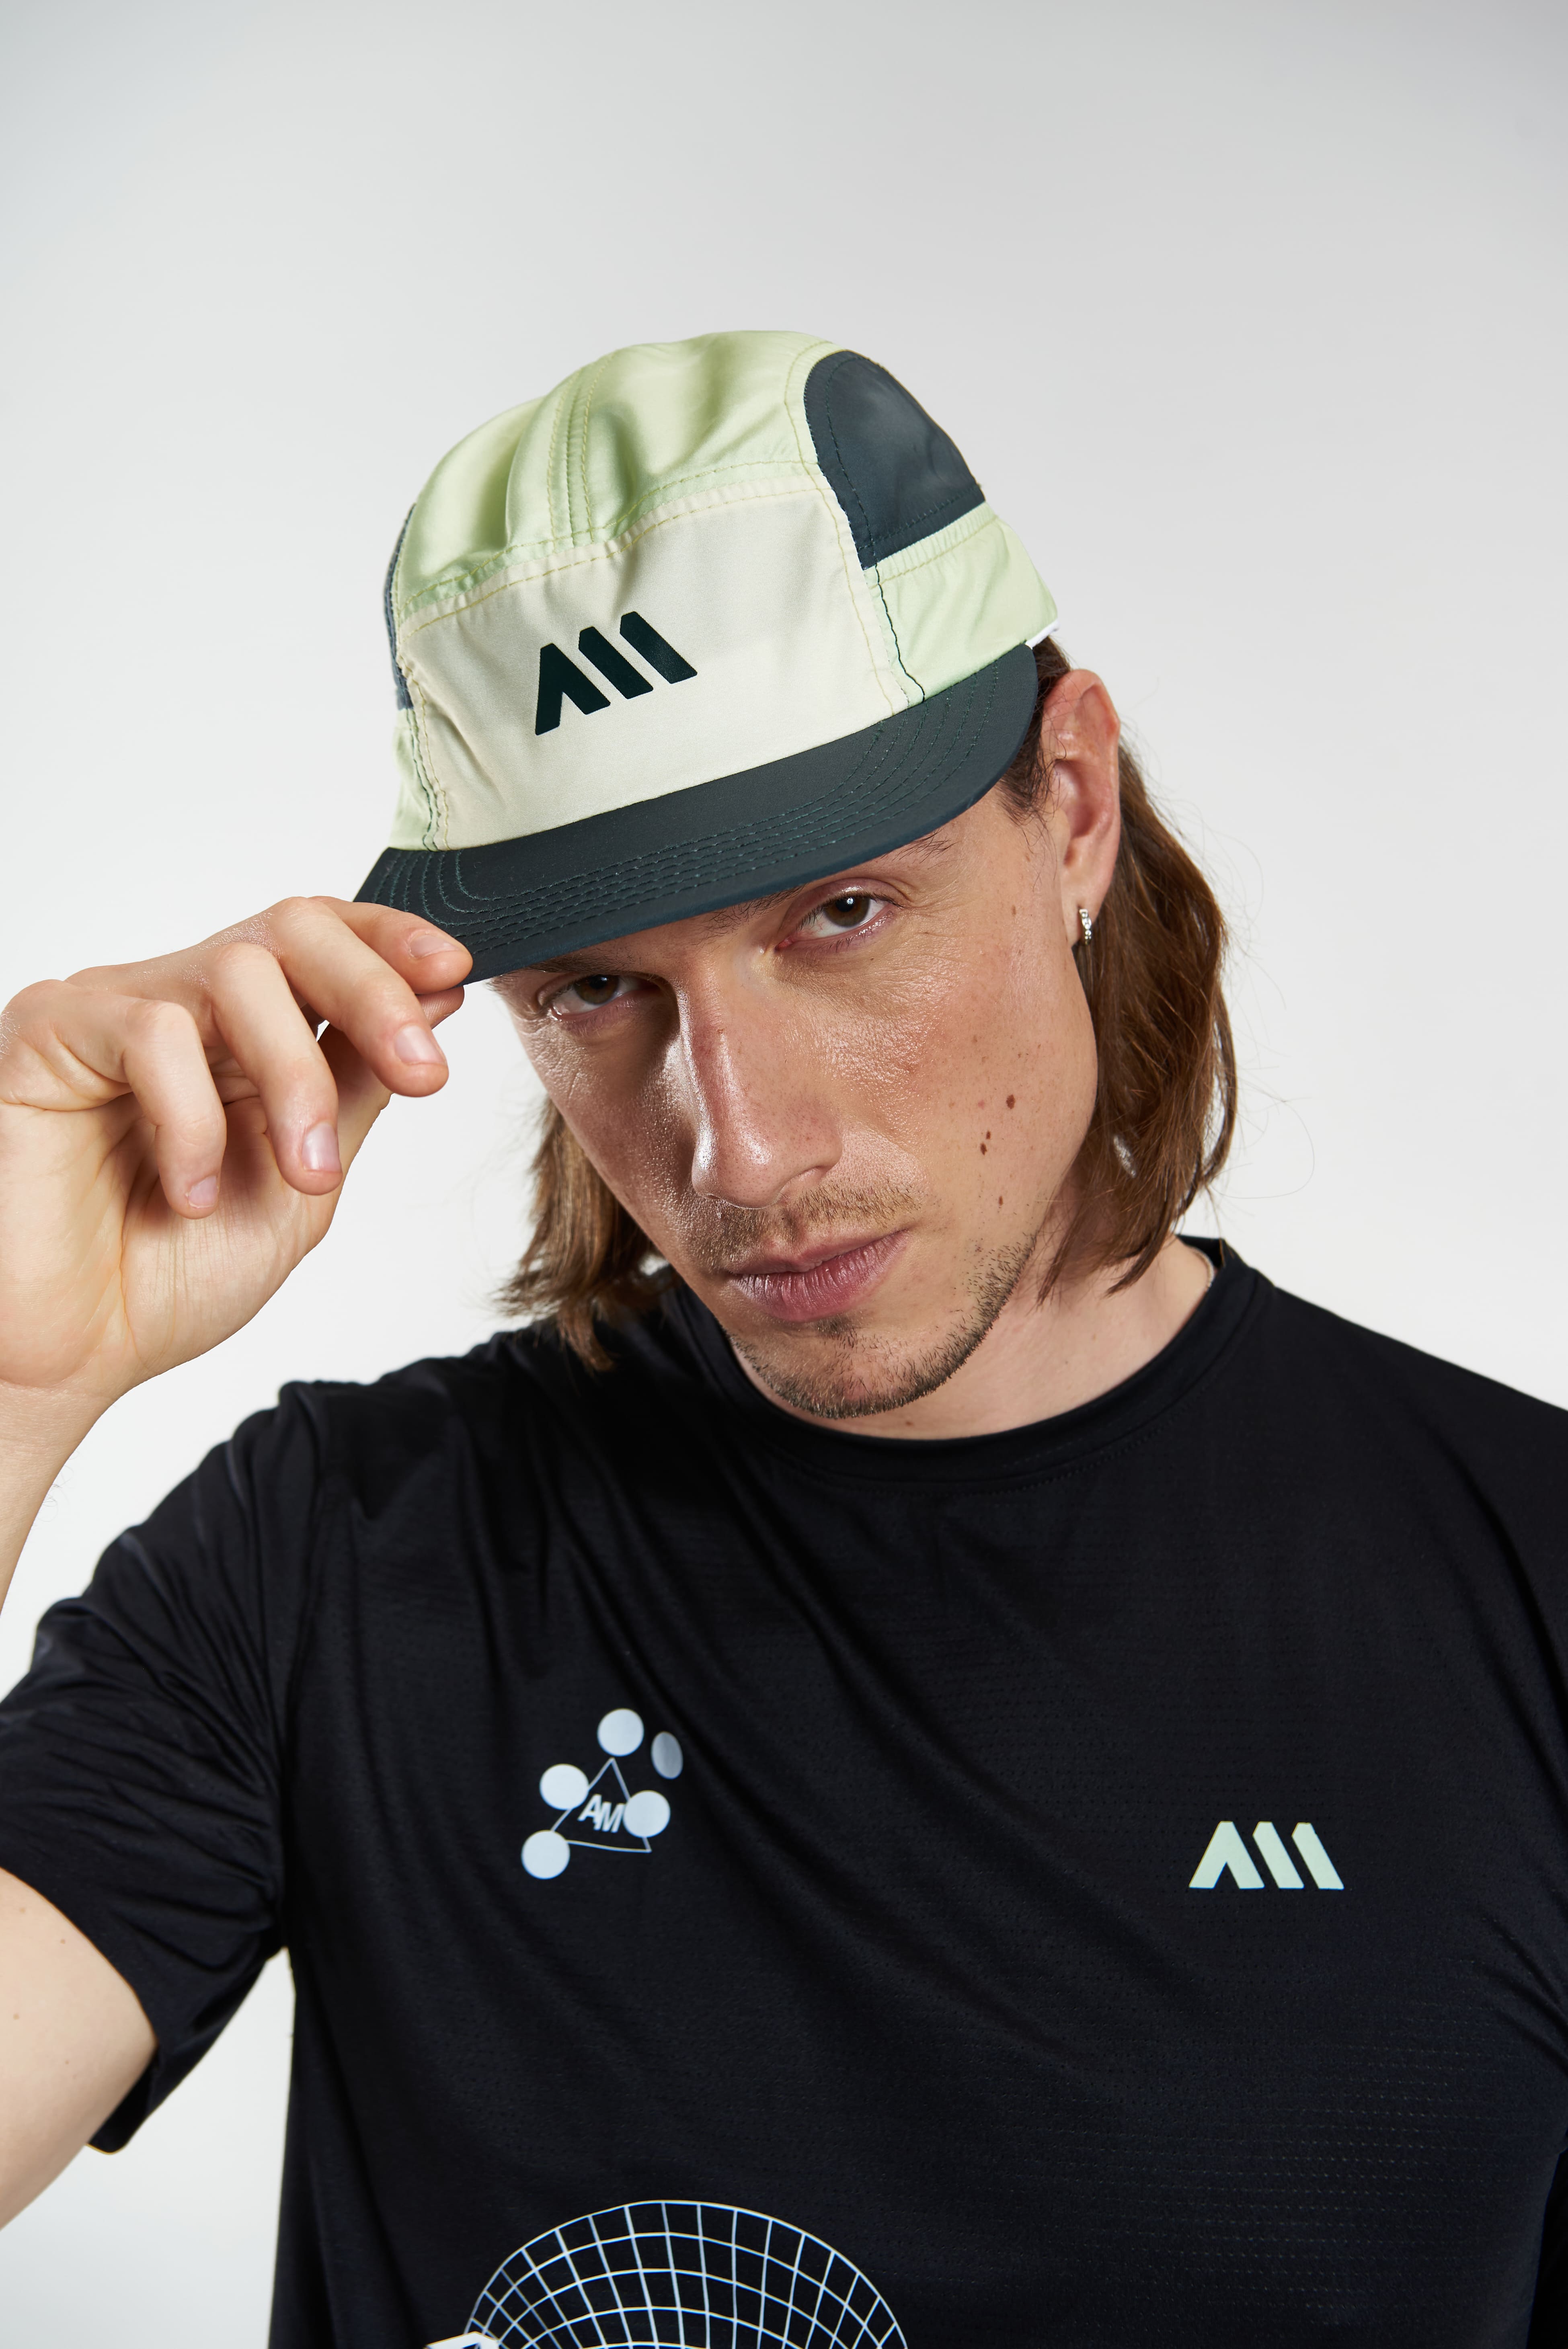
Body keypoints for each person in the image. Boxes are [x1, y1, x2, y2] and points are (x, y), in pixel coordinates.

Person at [0, 329, 1563, 2349]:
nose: (740, 1148)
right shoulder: (327, 1560)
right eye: (596, 990)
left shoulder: (1526, 1577)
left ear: (1073, 806)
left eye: (840, 915)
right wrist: (12, 1385)